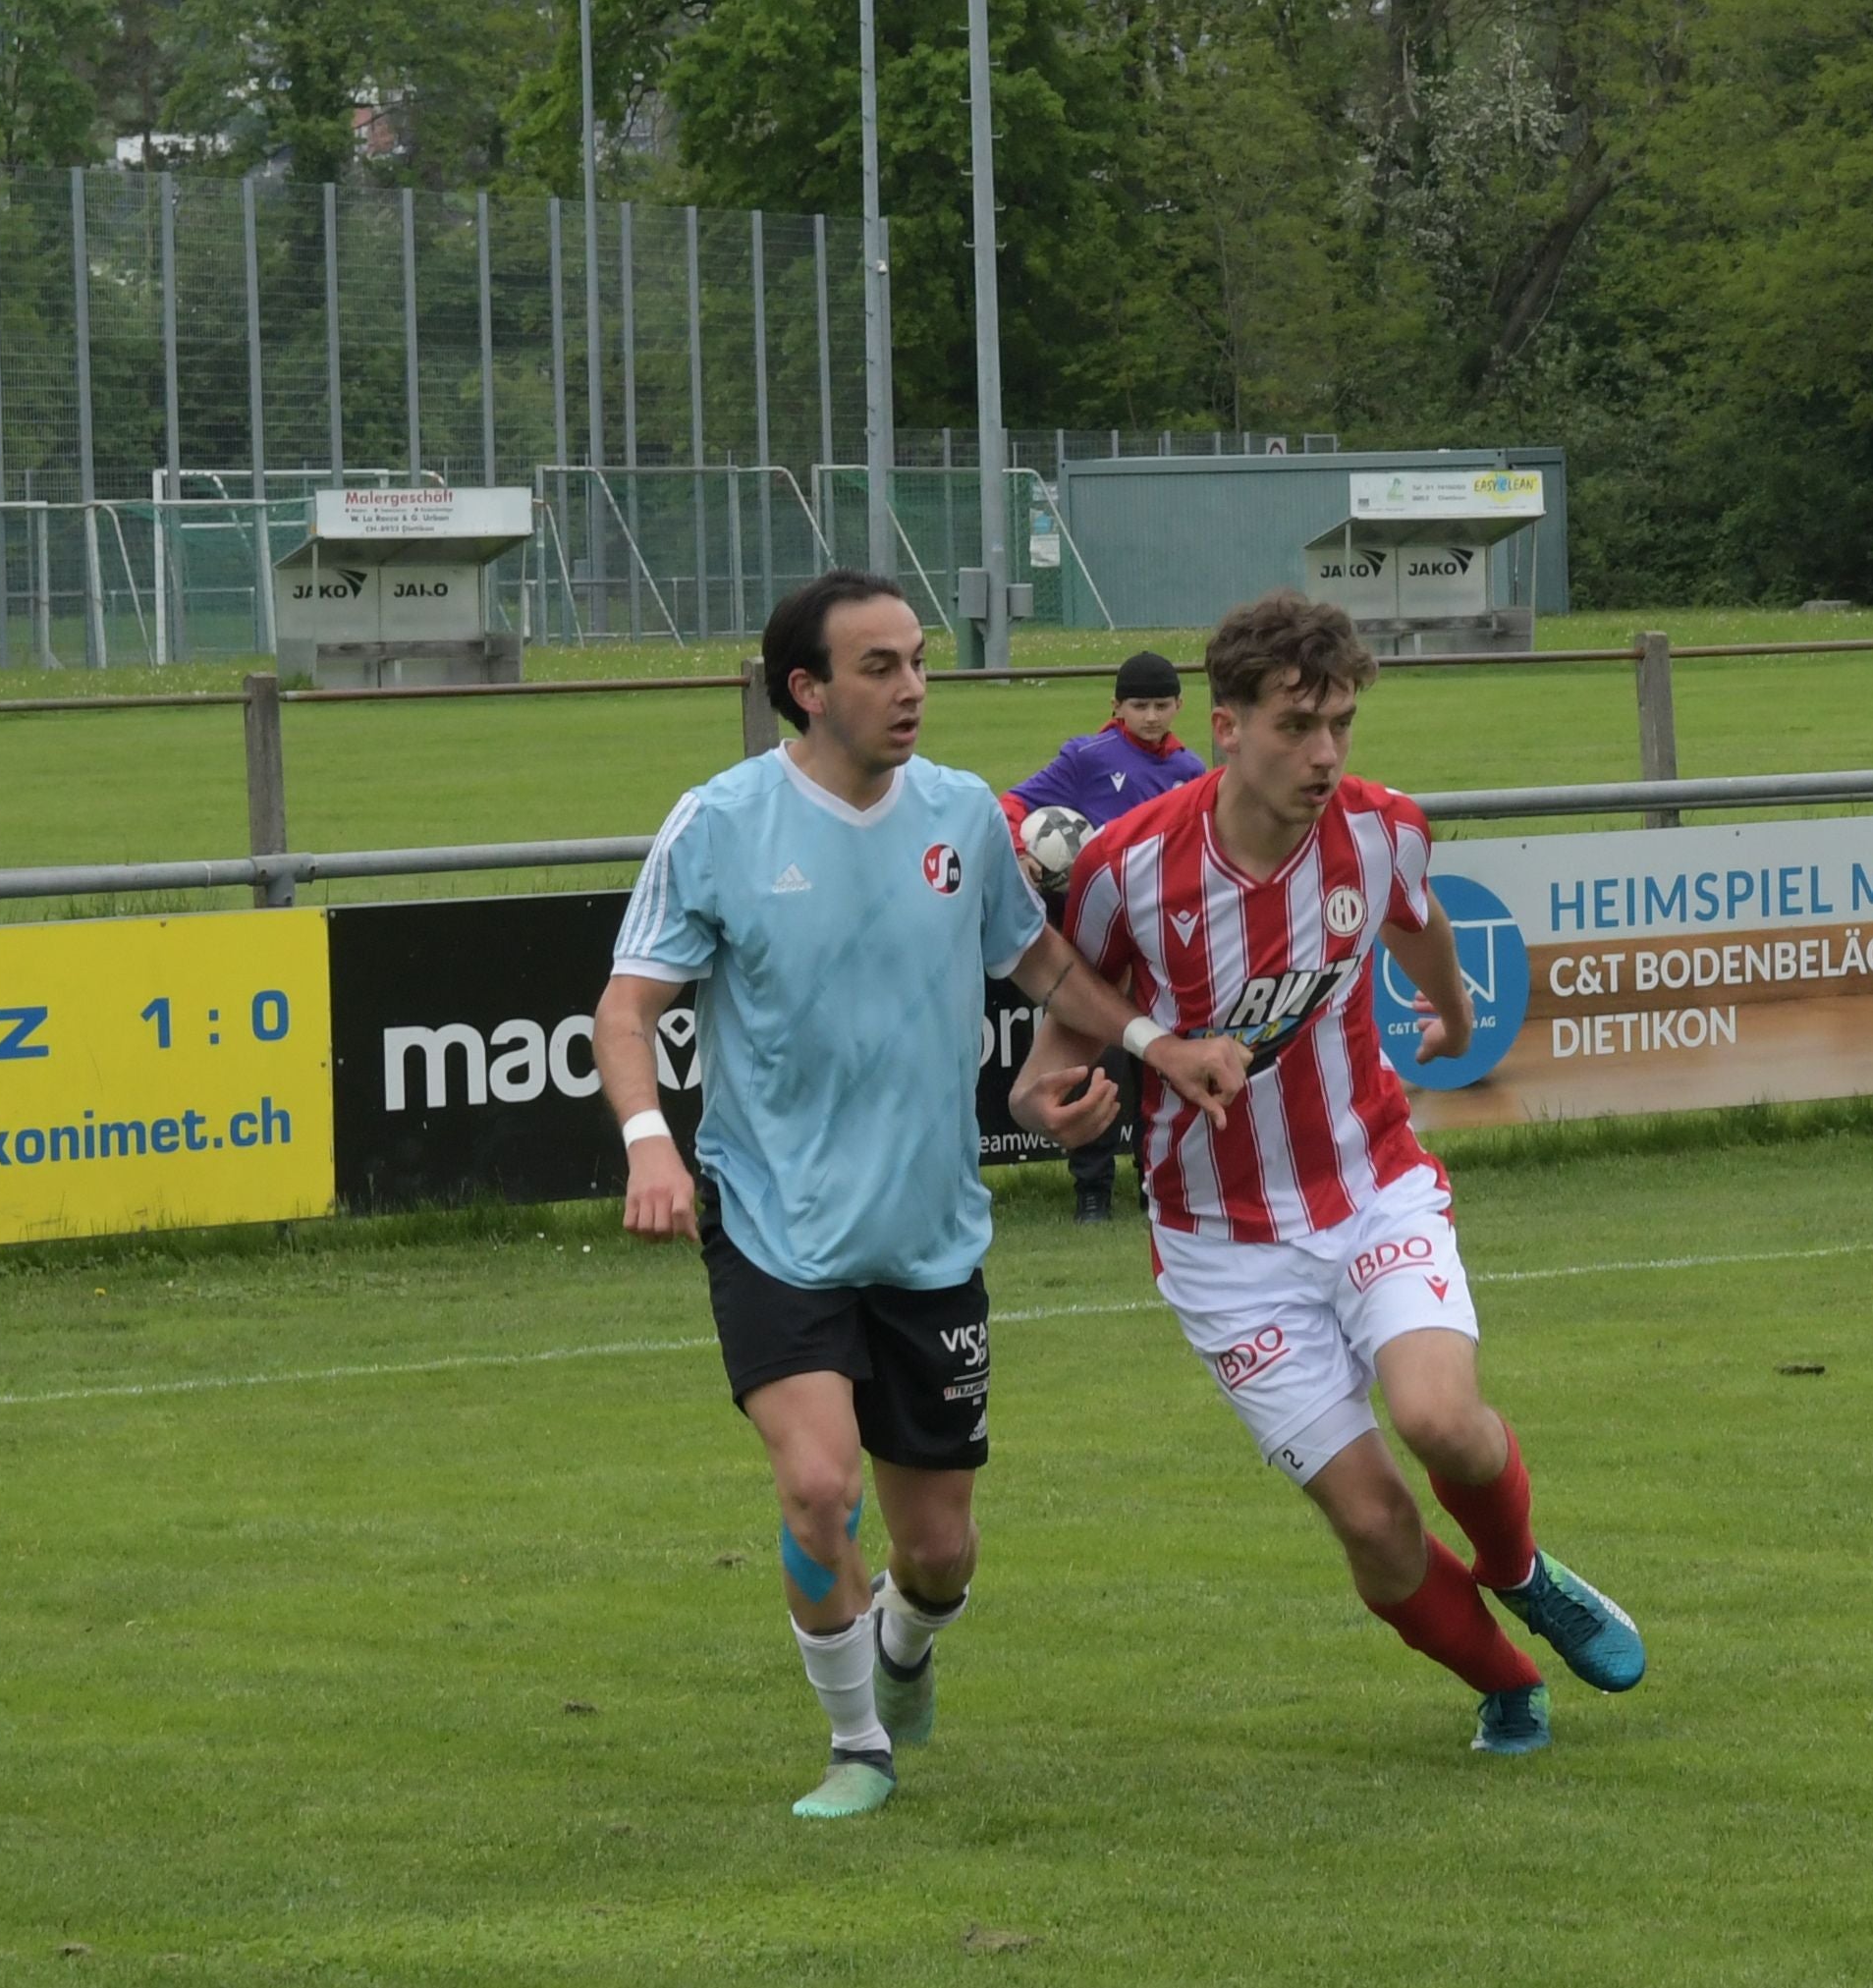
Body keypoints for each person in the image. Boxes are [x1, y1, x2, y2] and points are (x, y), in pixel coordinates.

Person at [594, 572, 1251, 1819]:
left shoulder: (963, 814)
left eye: (917, 661)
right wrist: (648, 1142)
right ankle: (857, 1746)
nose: (912, 688)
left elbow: (1042, 961)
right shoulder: (721, 823)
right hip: (775, 1221)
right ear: (808, 690)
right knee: (817, 1487)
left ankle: (904, 1642)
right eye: (881, 667)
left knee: (938, 1555)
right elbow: (626, 1009)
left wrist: (1154, 1046)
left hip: (929, 1233)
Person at [1015, 592, 1645, 1759]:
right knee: (1374, 1519)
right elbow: (1066, 1033)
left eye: (1342, 723)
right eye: (1299, 725)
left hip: (1370, 1186)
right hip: (1221, 1243)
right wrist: (1043, 1105)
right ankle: (1508, 1682)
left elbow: (1415, 923)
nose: (1326, 753)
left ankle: (1522, 1572)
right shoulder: (1126, 867)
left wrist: (1453, 1010)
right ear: (1226, 725)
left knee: (1439, 1417)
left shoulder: (1381, 828)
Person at [1006, 652, 1209, 1224]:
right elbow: (1013, 803)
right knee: (1091, 1056)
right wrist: (1020, 850)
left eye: (1161, 705)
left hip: (1163, 937)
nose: (1150, 716)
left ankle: (1156, 1183)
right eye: (1138, 705)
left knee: (1159, 1063)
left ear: (1179, 705)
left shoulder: (1191, 771)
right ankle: (1091, 1188)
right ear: (1116, 707)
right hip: (1093, 935)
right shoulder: (1086, 757)